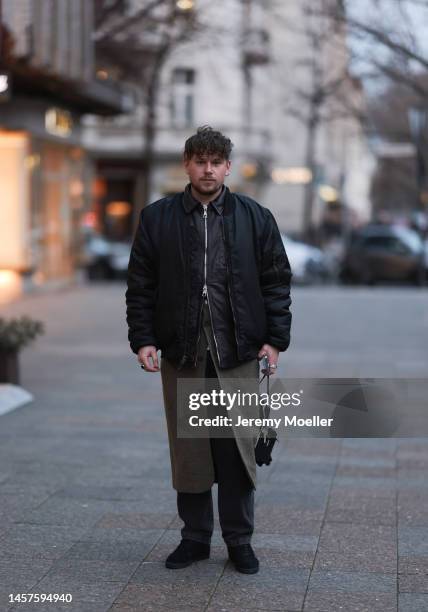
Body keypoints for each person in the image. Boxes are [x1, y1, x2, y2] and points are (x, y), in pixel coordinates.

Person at [125, 126, 292, 574]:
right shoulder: (157, 218)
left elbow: (276, 283)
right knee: (191, 452)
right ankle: (195, 538)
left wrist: (275, 340)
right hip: (183, 353)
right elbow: (140, 286)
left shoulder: (255, 217)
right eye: (200, 161)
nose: (208, 169)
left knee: (237, 451)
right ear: (187, 165)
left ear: (228, 167)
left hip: (237, 352)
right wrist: (143, 338)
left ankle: (239, 541)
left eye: (216, 162)